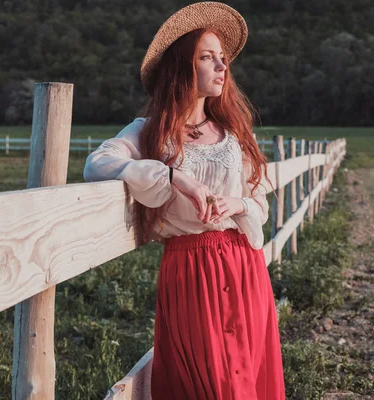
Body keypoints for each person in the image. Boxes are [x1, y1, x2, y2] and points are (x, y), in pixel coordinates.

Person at [83, 2, 285, 399]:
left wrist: (237, 205)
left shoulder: (233, 133)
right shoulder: (150, 131)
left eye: (222, 58)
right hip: (192, 267)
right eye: (207, 58)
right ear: (181, 68)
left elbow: (258, 198)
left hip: (244, 264)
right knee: (213, 385)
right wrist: (176, 178)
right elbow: (98, 163)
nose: (221, 67)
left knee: (246, 377)